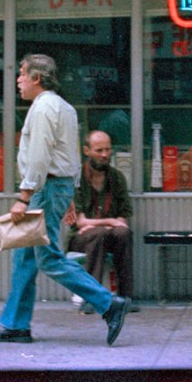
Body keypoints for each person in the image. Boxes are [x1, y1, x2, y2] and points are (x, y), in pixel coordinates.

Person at [0, 55, 131, 346]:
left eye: (22, 75)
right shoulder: (63, 107)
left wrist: (23, 197)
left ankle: (108, 303)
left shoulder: (42, 109)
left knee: (48, 257)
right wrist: (70, 197)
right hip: (56, 187)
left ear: (37, 78)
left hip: (45, 188)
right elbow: (69, 155)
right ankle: (16, 325)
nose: (18, 80)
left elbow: (40, 157)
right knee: (24, 256)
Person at [66, 130, 135, 306]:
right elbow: (80, 221)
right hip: (81, 237)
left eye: (107, 150)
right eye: (99, 150)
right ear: (86, 151)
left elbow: (123, 217)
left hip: (107, 233)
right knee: (99, 234)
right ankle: (91, 298)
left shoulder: (117, 177)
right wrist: (110, 222)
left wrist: (110, 225)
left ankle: (126, 297)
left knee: (124, 234)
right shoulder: (76, 178)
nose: (105, 155)